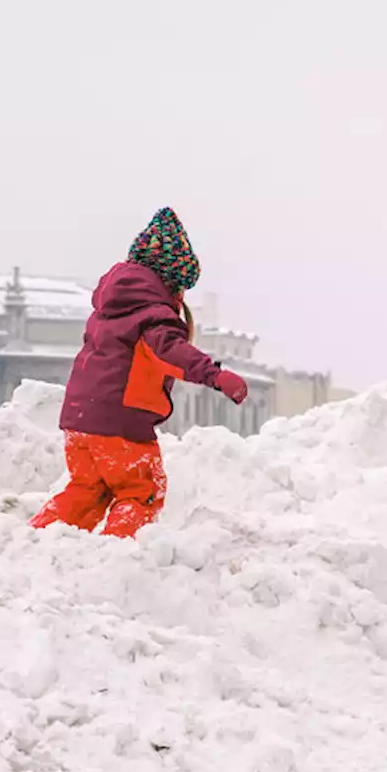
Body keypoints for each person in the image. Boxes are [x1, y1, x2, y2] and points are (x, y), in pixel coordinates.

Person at [30, 208, 248, 538]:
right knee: (142, 492)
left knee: (87, 491)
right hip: (121, 425)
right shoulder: (153, 315)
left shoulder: (109, 309)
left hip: (79, 420)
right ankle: (116, 559)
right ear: (171, 281)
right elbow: (171, 351)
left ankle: (36, 542)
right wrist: (215, 376)